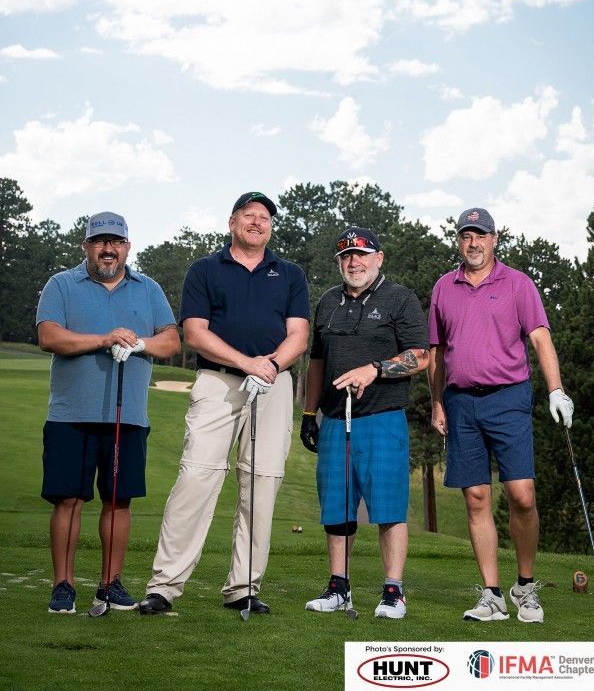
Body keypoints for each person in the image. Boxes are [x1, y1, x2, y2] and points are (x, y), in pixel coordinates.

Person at [139, 192, 310, 616]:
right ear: (232, 222)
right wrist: (247, 363)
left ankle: (243, 587)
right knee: (197, 478)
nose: (257, 222)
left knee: (261, 484)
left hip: (273, 386)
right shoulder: (205, 270)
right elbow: (195, 333)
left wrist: (268, 366)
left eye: (264, 217)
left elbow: (299, 336)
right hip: (219, 383)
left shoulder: (289, 274)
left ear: (271, 226)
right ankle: (165, 585)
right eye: (248, 216)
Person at [428, 207, 575, 624]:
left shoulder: (518, 284)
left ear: (495, 240)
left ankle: (525, 587)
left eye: (481, 236)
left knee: (522, 494)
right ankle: (491, 595)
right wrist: (437, 402)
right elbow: (436, 351)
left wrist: (556, 390)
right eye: (466, 236)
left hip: (508, 398)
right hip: (460, 402)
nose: (473, 243)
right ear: (459, 241)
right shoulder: (444, 287)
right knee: (476, 497)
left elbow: (541, 339)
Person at [36, 211, 180, 614]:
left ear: (127, 246)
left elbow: (171, 341)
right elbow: (49, 336)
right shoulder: (62, 284)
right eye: (99, 241)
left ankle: (110, 583)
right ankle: (63, 584)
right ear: (86, 246)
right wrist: (104, 338)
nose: (108, 249)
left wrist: (139, 345)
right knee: (68, 500)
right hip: (71, 415)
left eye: (115, 242)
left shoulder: (148, 288)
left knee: (119, 501)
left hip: (127, 416)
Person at [301, 227, 428, 620]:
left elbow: (421, 357)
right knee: (337, 508)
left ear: (379, 258)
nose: (353, 262)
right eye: (345, 257)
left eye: (360, 255)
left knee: (388, 510)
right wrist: (309, 414)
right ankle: (339, 587)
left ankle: (393, 591)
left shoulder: (400, 299)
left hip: (383, 418)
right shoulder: (327, 302)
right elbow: (317, 364)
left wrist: (376, 369)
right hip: (336, 420)